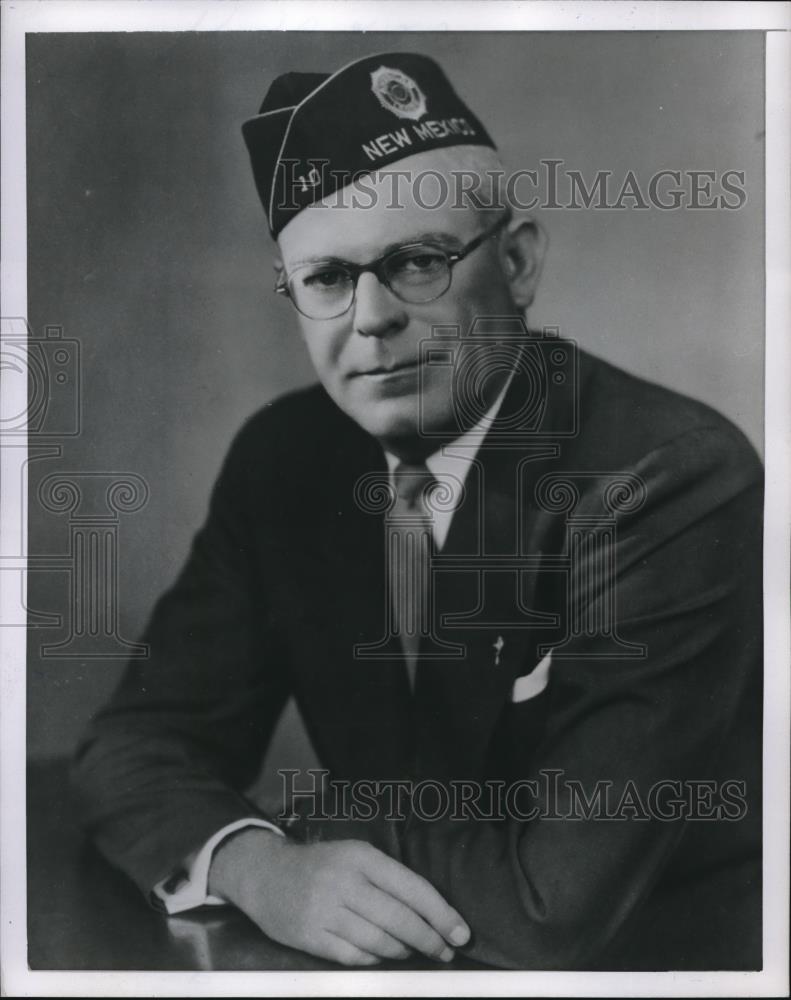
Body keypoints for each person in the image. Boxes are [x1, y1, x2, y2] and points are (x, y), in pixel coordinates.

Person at [72, 52, 763, 970]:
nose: (369, 319)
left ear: (516, 263)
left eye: (415, 263)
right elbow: (135, 742)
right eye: (324, 279)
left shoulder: (668, 478)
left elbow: (552, 904)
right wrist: (257, 865)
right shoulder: (287, 460)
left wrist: (317, 827)